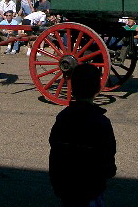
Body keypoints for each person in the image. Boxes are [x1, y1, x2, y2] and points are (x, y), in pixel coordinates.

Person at [49, 63, 116, 206]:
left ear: (72, 88)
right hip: (92, 190)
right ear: (98, 88)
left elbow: (54, 153)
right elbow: (108, 158)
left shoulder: (62, 118)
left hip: (66, 190)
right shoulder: (101, 122)